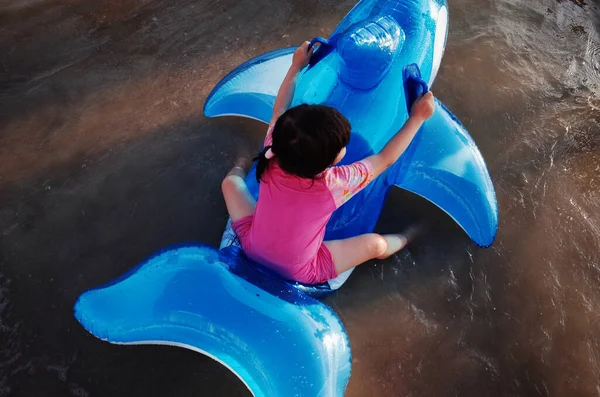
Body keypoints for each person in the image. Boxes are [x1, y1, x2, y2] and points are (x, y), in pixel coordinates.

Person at [221, 41, 435, 285]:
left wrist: (296, 66)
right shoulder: (334, 184)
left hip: (253, 247)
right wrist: (418, 118)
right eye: (342, 147)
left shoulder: (275, 149)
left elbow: (279, 109)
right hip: (301, 270)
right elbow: (385, 159)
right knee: (375, 244)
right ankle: (407, 237)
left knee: (230, 183)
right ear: (329, 160)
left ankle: (240, 162)